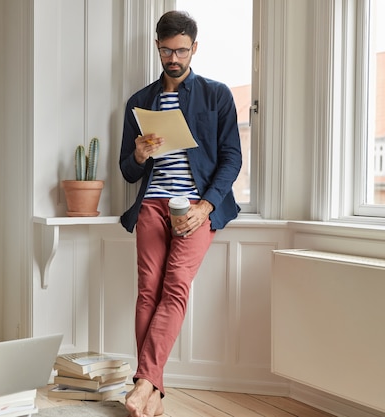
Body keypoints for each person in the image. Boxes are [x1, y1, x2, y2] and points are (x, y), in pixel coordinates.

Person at [119, 10, 242, 417]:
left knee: (175, 286)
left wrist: (205, 207)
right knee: (147, 290)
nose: (174, 58)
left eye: (182, 50)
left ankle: (143, 385)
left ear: (194, 47)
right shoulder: (140, 101)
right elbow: (128, 170)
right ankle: (150, 391)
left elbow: (231, 158)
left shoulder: (216, 94)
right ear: (157, 46)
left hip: (194, 206)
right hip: (153, 203)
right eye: (167, 50)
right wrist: (138, 154)